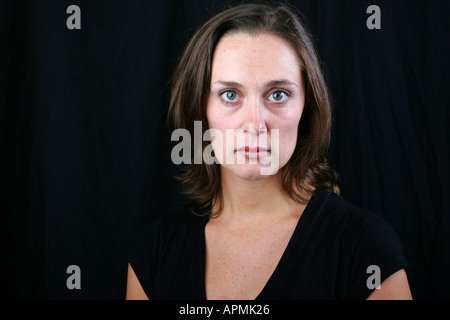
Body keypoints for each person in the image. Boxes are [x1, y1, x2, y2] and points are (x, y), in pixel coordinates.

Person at [126, 2, 412, 300]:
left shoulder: (364, 248)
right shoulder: (155, 253)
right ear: (201, 108)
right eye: (230, 95)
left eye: (278, 94)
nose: (254, 124)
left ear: (307, 108)